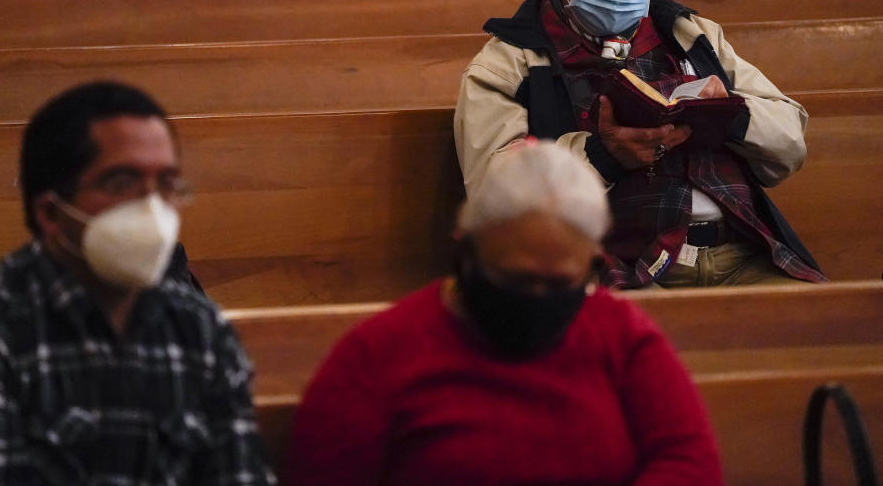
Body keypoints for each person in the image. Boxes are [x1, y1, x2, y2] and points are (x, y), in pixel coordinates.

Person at [454, 0, 826, 289]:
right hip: (619, 271)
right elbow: (495, 195)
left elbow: (790, 141)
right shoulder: (510, 63)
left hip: (742, 254)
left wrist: (732, 114)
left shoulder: (690, 34)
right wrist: (602, 154)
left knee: (832, 335)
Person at [284, 140, 723, 486]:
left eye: (558, 284)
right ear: (465, 248)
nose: (535, 298)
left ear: (592, 262)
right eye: (515, 279)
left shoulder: (619, 333)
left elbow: (688, 461)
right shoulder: (380, 355)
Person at [0, 82, 275, 485]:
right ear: (51, 213)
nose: (152, 207)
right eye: (121, 183)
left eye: (166, 184)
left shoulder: (200, 327)